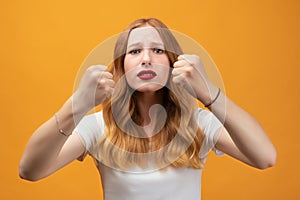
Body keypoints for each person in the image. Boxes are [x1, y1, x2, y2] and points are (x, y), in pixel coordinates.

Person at [19, 18, 276, 200]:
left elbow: (264, 157)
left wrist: (208, 91)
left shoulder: (199, 122)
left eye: (157, 50)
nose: (146, 58)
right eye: (135, 51)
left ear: (173, 63)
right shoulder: (99, 126)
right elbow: (30, 171)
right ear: (120, 67)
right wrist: (76, 106)